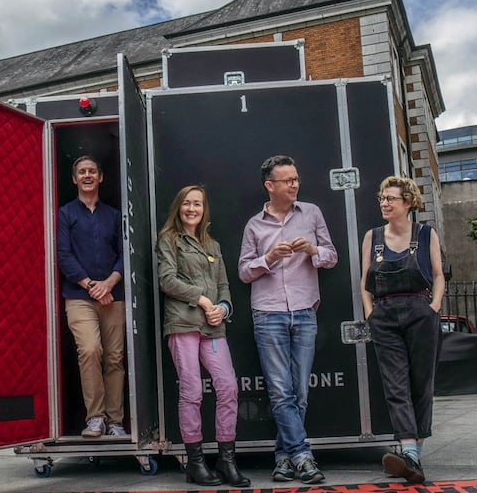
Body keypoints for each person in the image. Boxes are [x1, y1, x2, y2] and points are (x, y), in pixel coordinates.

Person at [238, 155, 337, 485]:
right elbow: (243, 272)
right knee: (281, 392)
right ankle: (302, 456)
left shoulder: (311, 214)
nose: (295, 184)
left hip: (305, 310)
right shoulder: (255, 225)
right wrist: (268, 258)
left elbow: (331, 257)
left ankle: (283, 458)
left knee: (299, 392)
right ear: (270, 186)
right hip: (268, 313)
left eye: (296, 179)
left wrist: (311, 249)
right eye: (288, 180)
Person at [156, 185, 250, 487]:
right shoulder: (168, 239)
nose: (192, 209)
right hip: (183, 324)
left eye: (197, 204)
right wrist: (203, 300)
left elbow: (224, 286)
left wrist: (222, 307)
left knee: (227, 387)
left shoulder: (213, 245)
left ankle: (226, 460)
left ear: (204, 208)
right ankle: (195, 464)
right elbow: (167, 280)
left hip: (212, 327)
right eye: (187, 203)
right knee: (192, 391)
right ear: (178, 208)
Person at [360, 176, 445, 484]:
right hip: (384, 314)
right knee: (395, 383)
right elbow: (365, 280)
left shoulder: (425, 234)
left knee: (421, 383)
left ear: (408, 203)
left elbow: (438, 274)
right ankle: (409, 452)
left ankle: (414, 456)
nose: (384, 203)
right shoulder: (373, 236)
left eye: (391, 199)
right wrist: (371, 312)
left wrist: (433, 306)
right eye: (382, 198)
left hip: (420, 312)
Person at [56, 155, 127, 438]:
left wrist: (109, 284)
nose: (87, 175)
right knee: (89, 350)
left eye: (92, 171)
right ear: (74, 179)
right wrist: (91, 286)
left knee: (114, 358)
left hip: (113, 295)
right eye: (82, 172)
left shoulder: (114, 215)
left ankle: (115, 422)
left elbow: (124, 254)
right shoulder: (65, 214)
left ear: (100, 178)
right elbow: (63, 255)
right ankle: (95, 418)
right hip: (78, 296)